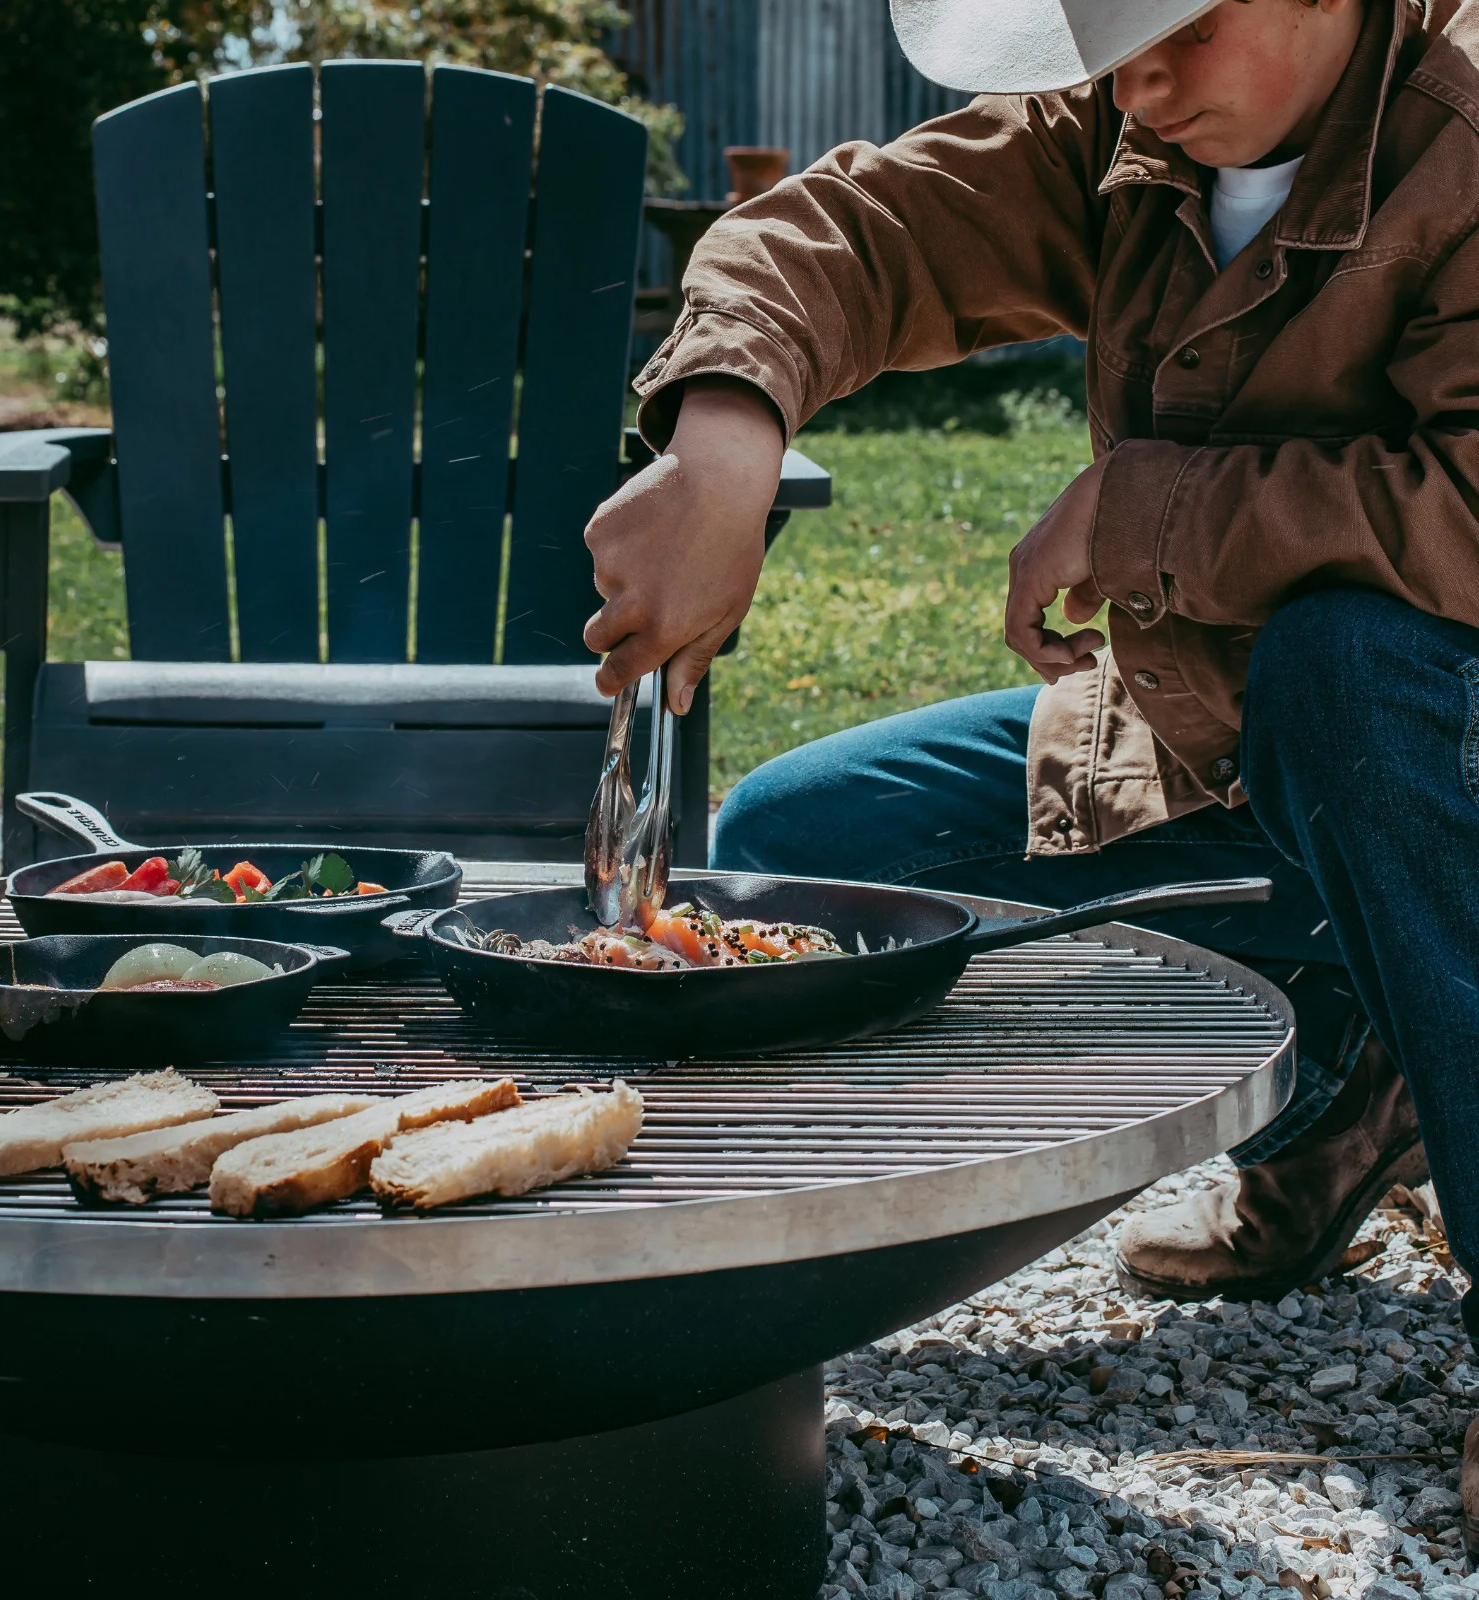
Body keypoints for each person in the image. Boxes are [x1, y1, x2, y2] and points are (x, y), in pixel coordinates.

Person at [580, 0, 1479, 1552]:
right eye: (1108, 29)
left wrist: (1149, 513)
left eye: (1182, 26)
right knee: (806, 846)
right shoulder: (1122, 131)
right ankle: (1346, 1078)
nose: (1138, 76)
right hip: (1212, 742)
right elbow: (854, 233)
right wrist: (723, 443)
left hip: (1431, 752)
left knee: (1346, 670)